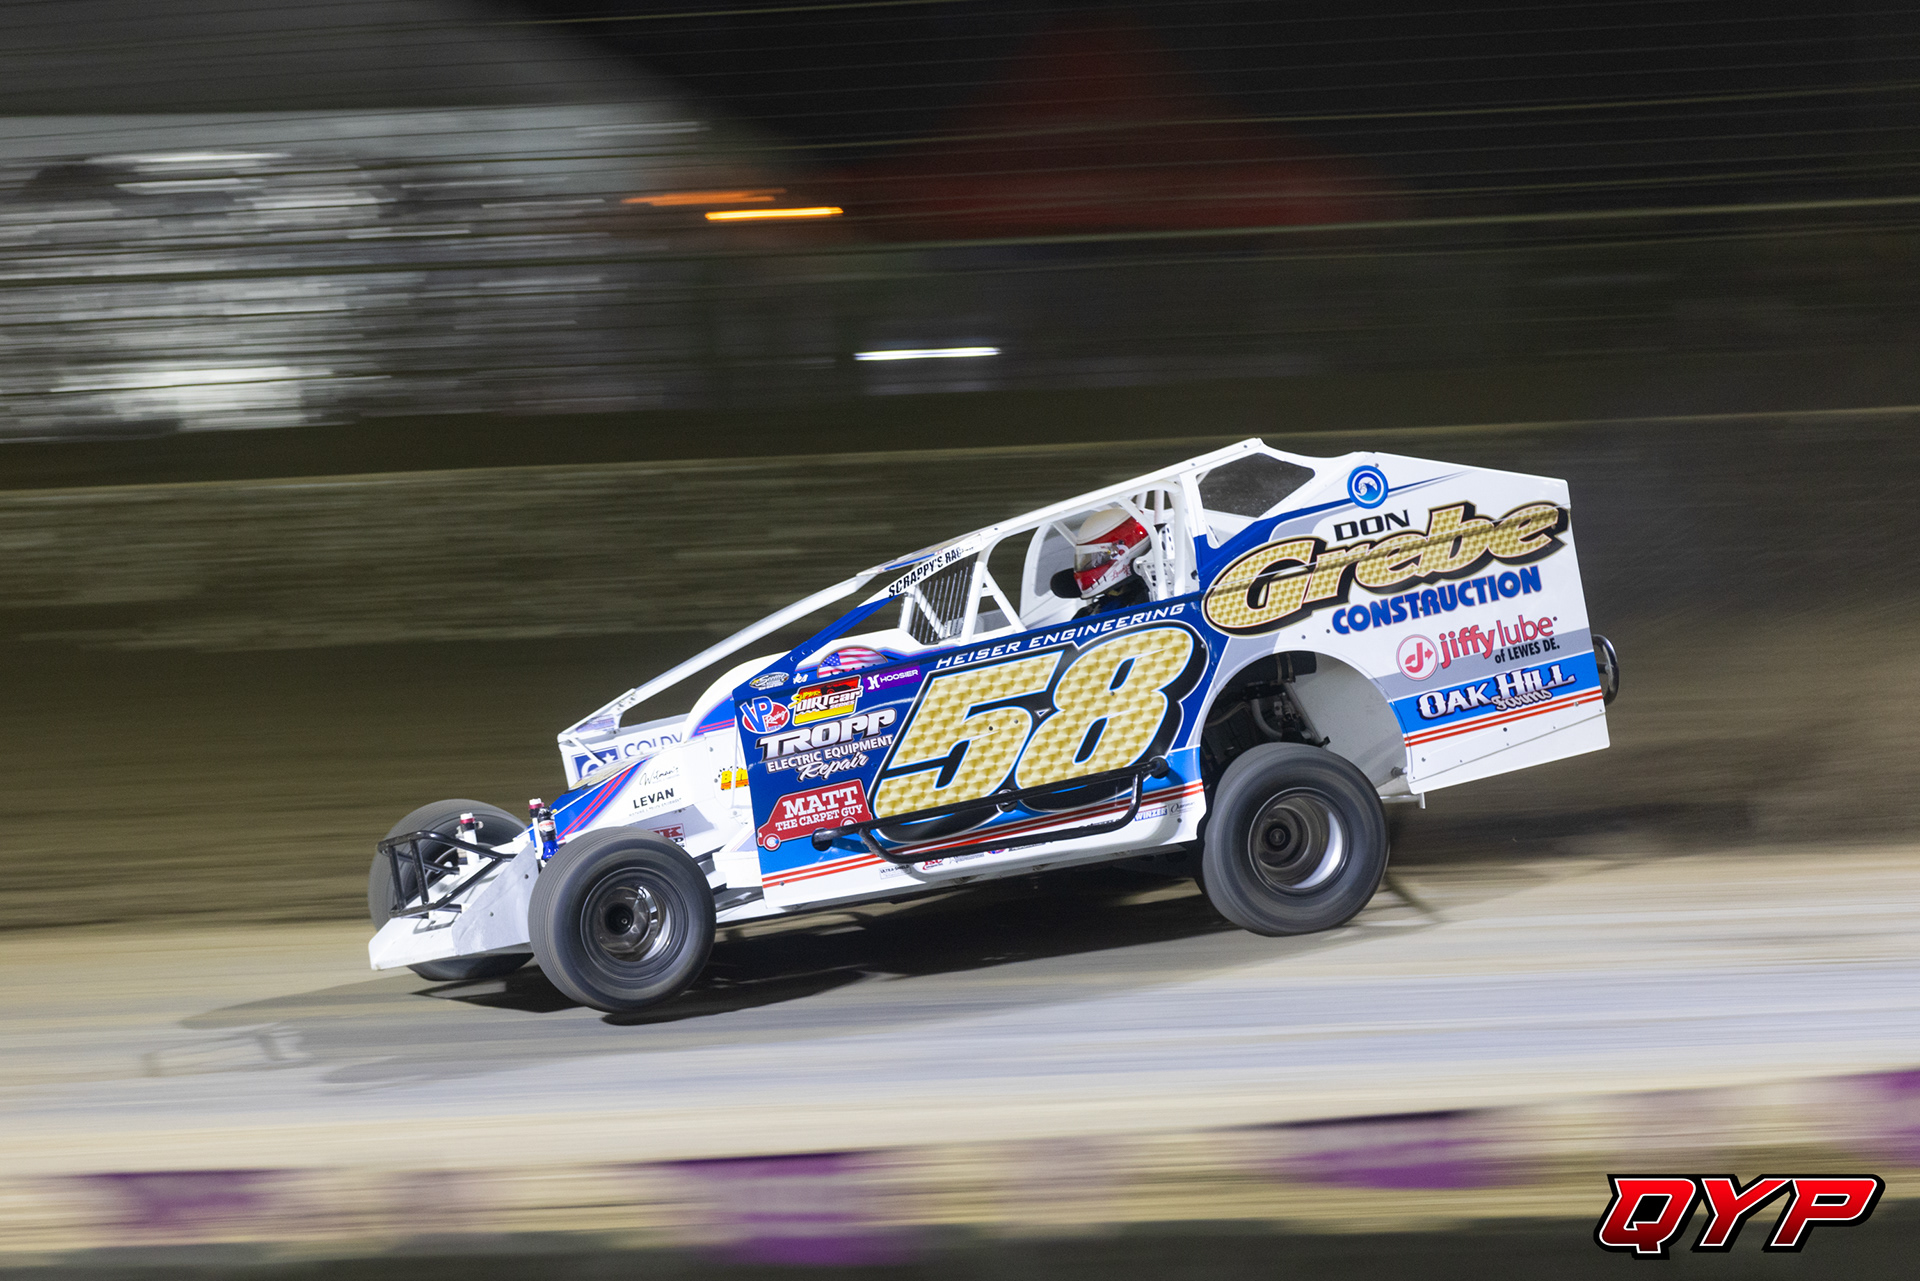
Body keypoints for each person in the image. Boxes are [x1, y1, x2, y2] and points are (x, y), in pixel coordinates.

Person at [1052, 508, 1152, 618]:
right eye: (1086, 558)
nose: (1087, 564)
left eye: (1097, 557)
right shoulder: (1088, 613)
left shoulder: (1153, 593)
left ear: (1122, 551)